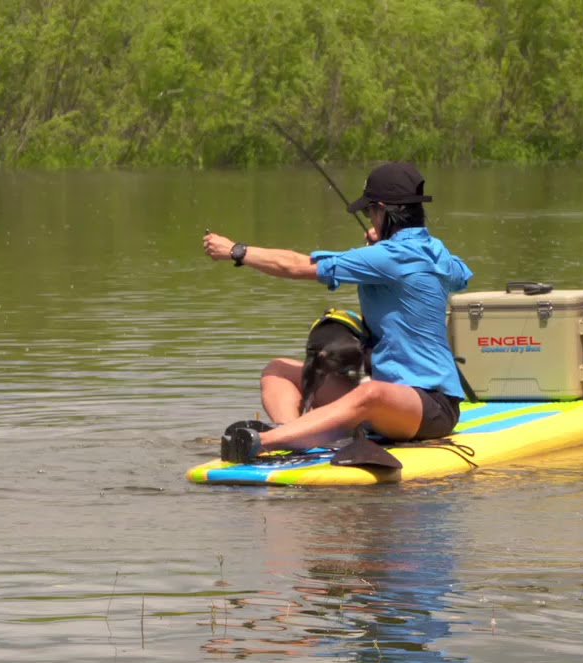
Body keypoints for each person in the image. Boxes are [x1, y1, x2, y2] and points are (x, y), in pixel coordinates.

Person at [203, 161, 473, 462]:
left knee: (371, 393)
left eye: (369, 212)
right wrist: (385, 244)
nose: (370, 219)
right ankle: (294, 437)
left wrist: (236, 251)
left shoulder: (390, 256)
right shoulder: (436, 251)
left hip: (432, 408)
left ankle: (263, 442)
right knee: (278, 370)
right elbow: (461, 275)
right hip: (390, 401)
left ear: (382, 210)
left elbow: (296, 265)